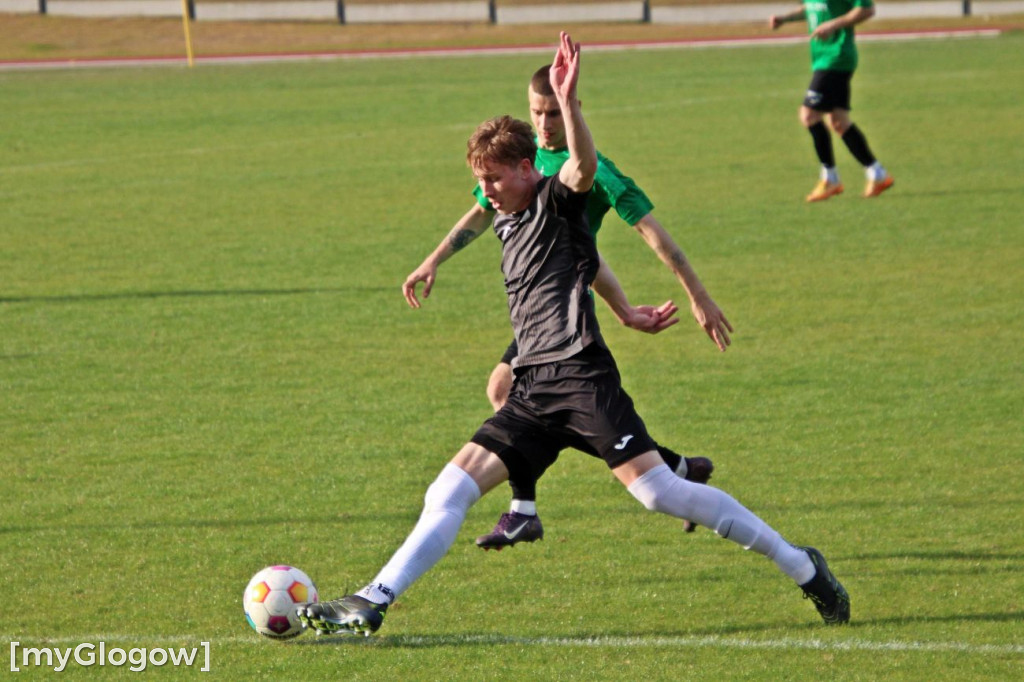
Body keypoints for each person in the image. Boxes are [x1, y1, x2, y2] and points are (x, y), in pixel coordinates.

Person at [299, 33, 850, 637]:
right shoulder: (506, 217)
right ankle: (372, 601)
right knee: (448, 488)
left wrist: (570, 101)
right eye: (479, 179)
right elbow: (589, 264)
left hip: (583, 376)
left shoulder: (557, 199)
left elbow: (584, 169)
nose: (485, 190)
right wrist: (438, 259)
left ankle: (803, 567)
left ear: (527, 168)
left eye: (493, 179)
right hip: (533, 387)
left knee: (660, 495)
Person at [402, 64, 732, 548]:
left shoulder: (593, 170)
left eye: (554, 111)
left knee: (511, 392)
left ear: (574, 107)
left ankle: (523, 509)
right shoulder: (519, 163)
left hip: (567, 312)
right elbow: (479, 210)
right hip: (538, 305)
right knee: (522, 400)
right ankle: (679, 467)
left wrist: (697, 296)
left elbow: (651, 237)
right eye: (537, 111)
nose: (544, 122)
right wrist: (433, 261)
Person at [769, 0, 894, 202]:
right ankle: (878, 174)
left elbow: (867, 9)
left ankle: (830, 179)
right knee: (839, 122)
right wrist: (785, 19)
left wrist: (833, 24)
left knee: (809, 115)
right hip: (822, 58)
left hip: (836, 57)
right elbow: (813, 8)